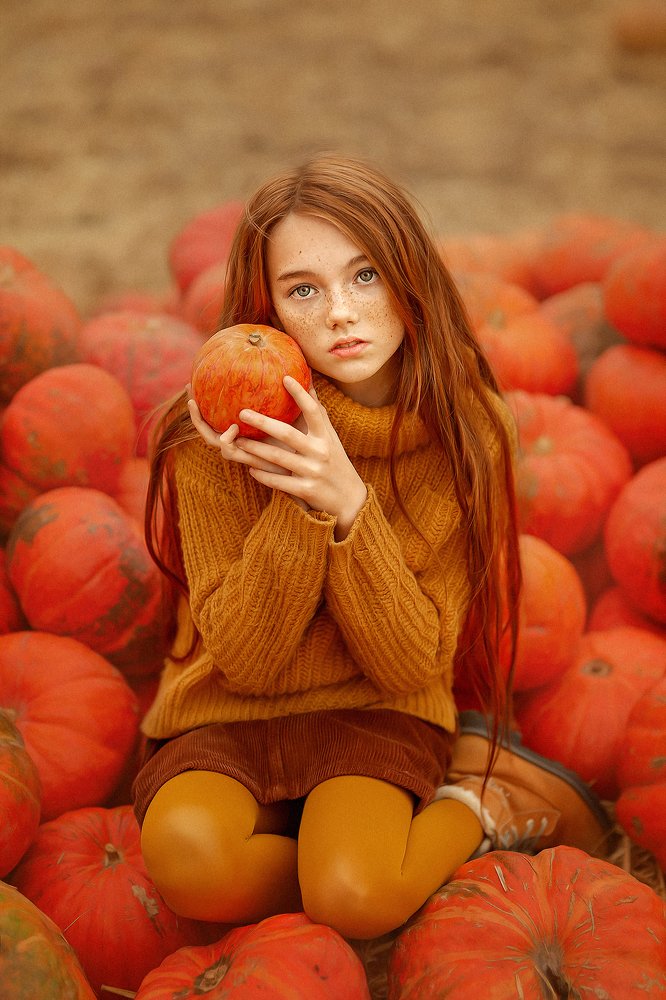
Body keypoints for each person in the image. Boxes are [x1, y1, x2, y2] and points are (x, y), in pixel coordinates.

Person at [132, 154, 611, 941]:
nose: (340, 315)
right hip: (231, 707)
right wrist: (297, 489)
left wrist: (349, 502)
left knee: (355, 897)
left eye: (365, 276)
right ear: (269, 307)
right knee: (188, 864)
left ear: (408, 276)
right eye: (304, 289)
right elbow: (246, 661)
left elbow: (413, 661)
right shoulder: (211, 433)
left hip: (378, 703)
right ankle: (338, 846)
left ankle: (481, 805)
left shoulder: (468, 432)